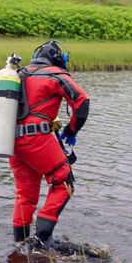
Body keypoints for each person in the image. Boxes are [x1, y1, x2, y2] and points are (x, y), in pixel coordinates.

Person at [10, 41, 90, 251]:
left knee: (25, 193)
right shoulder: (56, 75)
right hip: (35, 139)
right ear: (57, 59)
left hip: (11, 141)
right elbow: (82, 102)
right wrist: (72, 131)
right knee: (63, 181)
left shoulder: (17, 74)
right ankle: (43, 238)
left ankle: (21, 243)